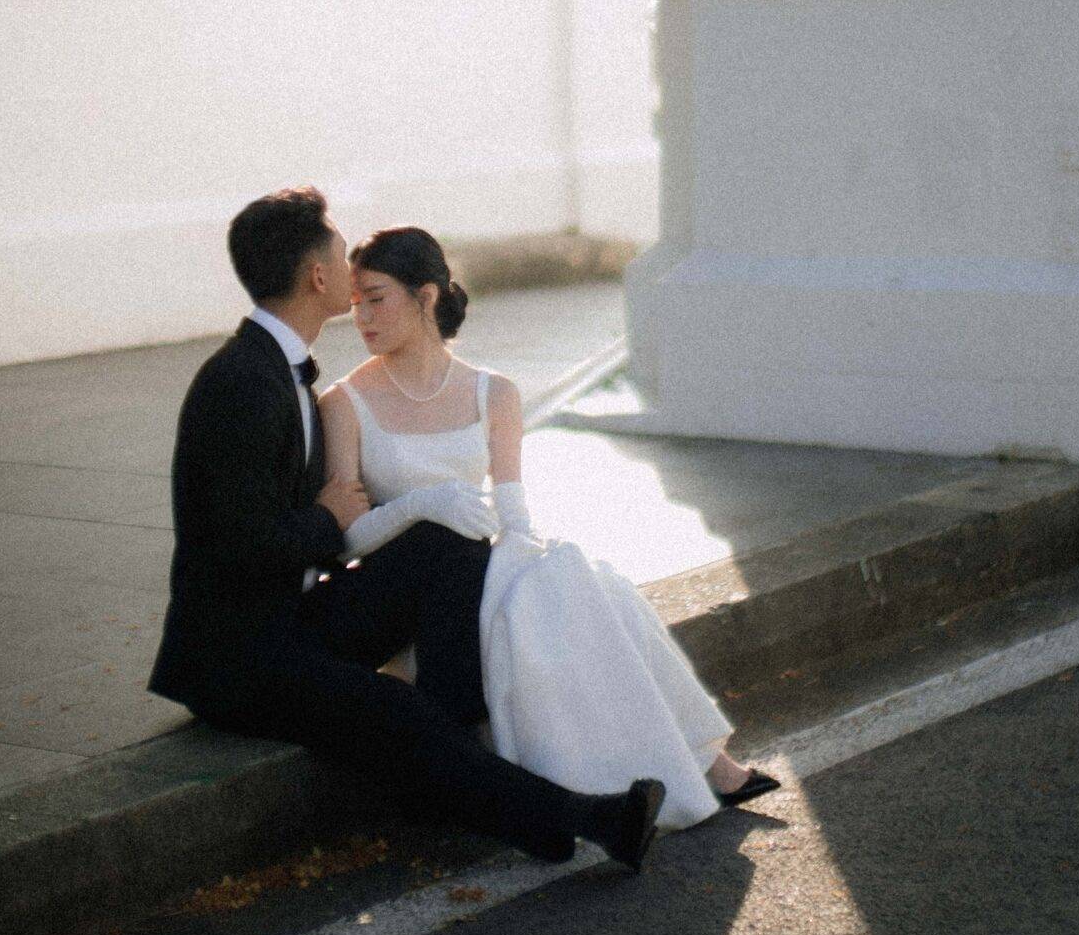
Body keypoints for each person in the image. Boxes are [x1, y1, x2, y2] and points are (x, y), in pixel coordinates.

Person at [148, 188, 666, 871]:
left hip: (289, 618)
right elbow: (236, 550)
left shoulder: (279, 370)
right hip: (235, 658)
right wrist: (328, 519)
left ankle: (453, 763)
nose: (347, 262)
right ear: (316, 277)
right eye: (338, 250)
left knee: (444, 539)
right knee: (391, 707)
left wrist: (366, 517)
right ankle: (582, 818)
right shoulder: (240, 383)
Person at [323, 225, 783, 830]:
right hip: (419, 602)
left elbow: (514, 518)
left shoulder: (494, 392)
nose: (361, 316)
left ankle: (697, 766)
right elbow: (349, 540)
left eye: (376, 297)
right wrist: (422, 503)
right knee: (574, 590)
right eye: (354, 302)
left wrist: (512, 572)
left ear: (427, 296)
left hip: (485, 568)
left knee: (579, 578)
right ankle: (704, 767)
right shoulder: (344, 402)